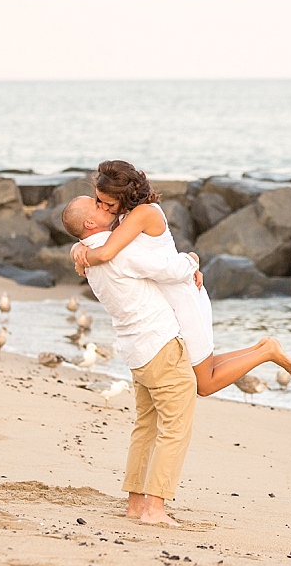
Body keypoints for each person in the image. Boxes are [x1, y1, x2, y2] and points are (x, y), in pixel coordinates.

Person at [70, 160, 291, 396]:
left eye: (106, 202)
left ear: (123, 195)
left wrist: (82, 254)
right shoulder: (122, 216)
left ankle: (266, 352)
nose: (103, 207)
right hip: (168, 299)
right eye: (99, 202)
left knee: (205, 384)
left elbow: (107, 252)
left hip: (182, 296)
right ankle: (261, 347)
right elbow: (103, 243)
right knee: (198, 369)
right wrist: (77, 249)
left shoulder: (144, 213)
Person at [61, 194, 201, 527]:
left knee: (147, 426)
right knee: (175, 427)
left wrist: (75, 249)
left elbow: (84, 250)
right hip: (160, 344)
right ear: (90, 223)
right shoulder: (116, 250)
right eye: (97, 205)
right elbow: (168, 269)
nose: (106, 206)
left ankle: (136, 504)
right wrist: (193, 260)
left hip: (136, 350)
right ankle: (154, 508)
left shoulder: (88, 257)